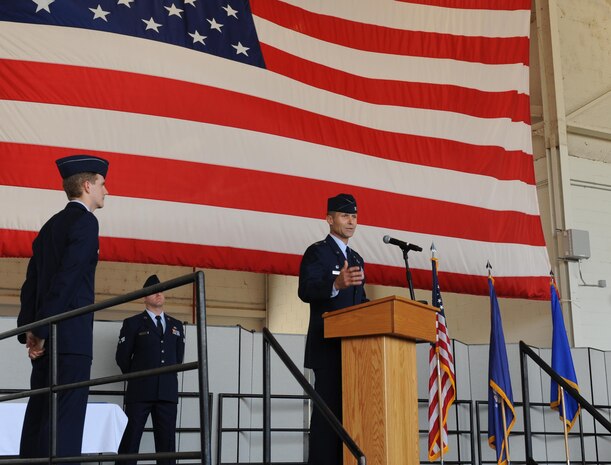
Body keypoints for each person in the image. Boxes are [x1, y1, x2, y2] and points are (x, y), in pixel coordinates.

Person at [17, 154, 110, 463]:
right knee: (66, 422)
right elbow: (67, 280)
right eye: (102, 184)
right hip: (69, 337)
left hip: (45, 339)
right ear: (87, 185)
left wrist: (30, 329)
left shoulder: (49, 227)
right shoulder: (86, 222)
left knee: (41, 414)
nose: (106, 191)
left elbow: (32, 283)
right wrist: (40, 331)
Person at [298, 193, 368, 465]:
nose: (351, 222)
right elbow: (304, 290)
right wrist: (335, 285)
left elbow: (361, 304)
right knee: (327, 421)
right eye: (344, 216)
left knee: (351, 417)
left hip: (355, 351)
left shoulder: (358, 258)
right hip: (327, 349)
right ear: (329, 219)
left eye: (354, 217)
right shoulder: (317, 252)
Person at [115, 274, 185, 465]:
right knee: (130, 442)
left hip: (167, 392)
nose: (158, 294)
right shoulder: (133, 323)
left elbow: (178, 358)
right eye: (153, 291)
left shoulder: (176, 325)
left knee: (167, 447)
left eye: (161, 290)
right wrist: (138, 379)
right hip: (140, 392)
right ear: (144, 297)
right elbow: (122, 358)